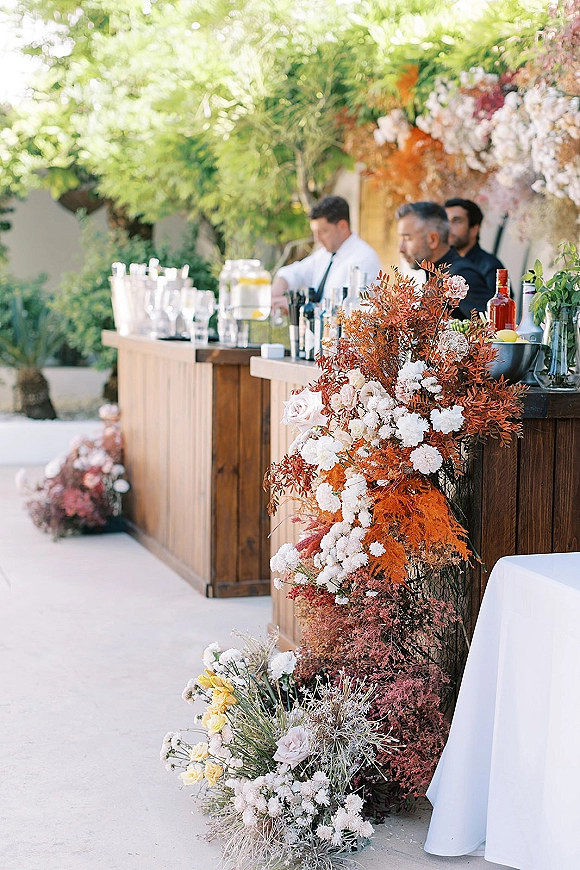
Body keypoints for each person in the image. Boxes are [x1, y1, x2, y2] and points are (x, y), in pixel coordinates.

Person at [271, 196, 382, 311]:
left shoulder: (364, 259)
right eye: (315, 233)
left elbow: (347, 310)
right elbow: (294, 273)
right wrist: (274, 293)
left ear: (342, 227)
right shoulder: (324, 255)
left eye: (323, 232)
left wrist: (296, 306)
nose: (317, 239)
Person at [396, 201, 491, 318]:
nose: (400, 248)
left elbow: (492, 329)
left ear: (433, 240)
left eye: (407, 238)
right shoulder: (436, 274)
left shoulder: (459, 276)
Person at [444, 198, 504, 296]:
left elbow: (499, 307)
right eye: (446, 221)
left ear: (474, 230)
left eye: (457, 221)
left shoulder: (490, 267)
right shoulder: (443, 264)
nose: (449, 227)